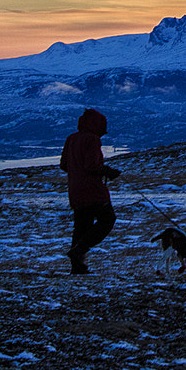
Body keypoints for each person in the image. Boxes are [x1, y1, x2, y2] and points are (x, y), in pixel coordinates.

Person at [61, 108, 121, 274]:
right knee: (107, 219)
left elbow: (63, 165)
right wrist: (108, 171)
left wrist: (77, 171)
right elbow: (92, 166)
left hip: (75, 191)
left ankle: (77, 265)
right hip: (92, 190)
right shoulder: (92, 139)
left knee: (81, 225)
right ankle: (80, 250)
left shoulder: (71, 138)